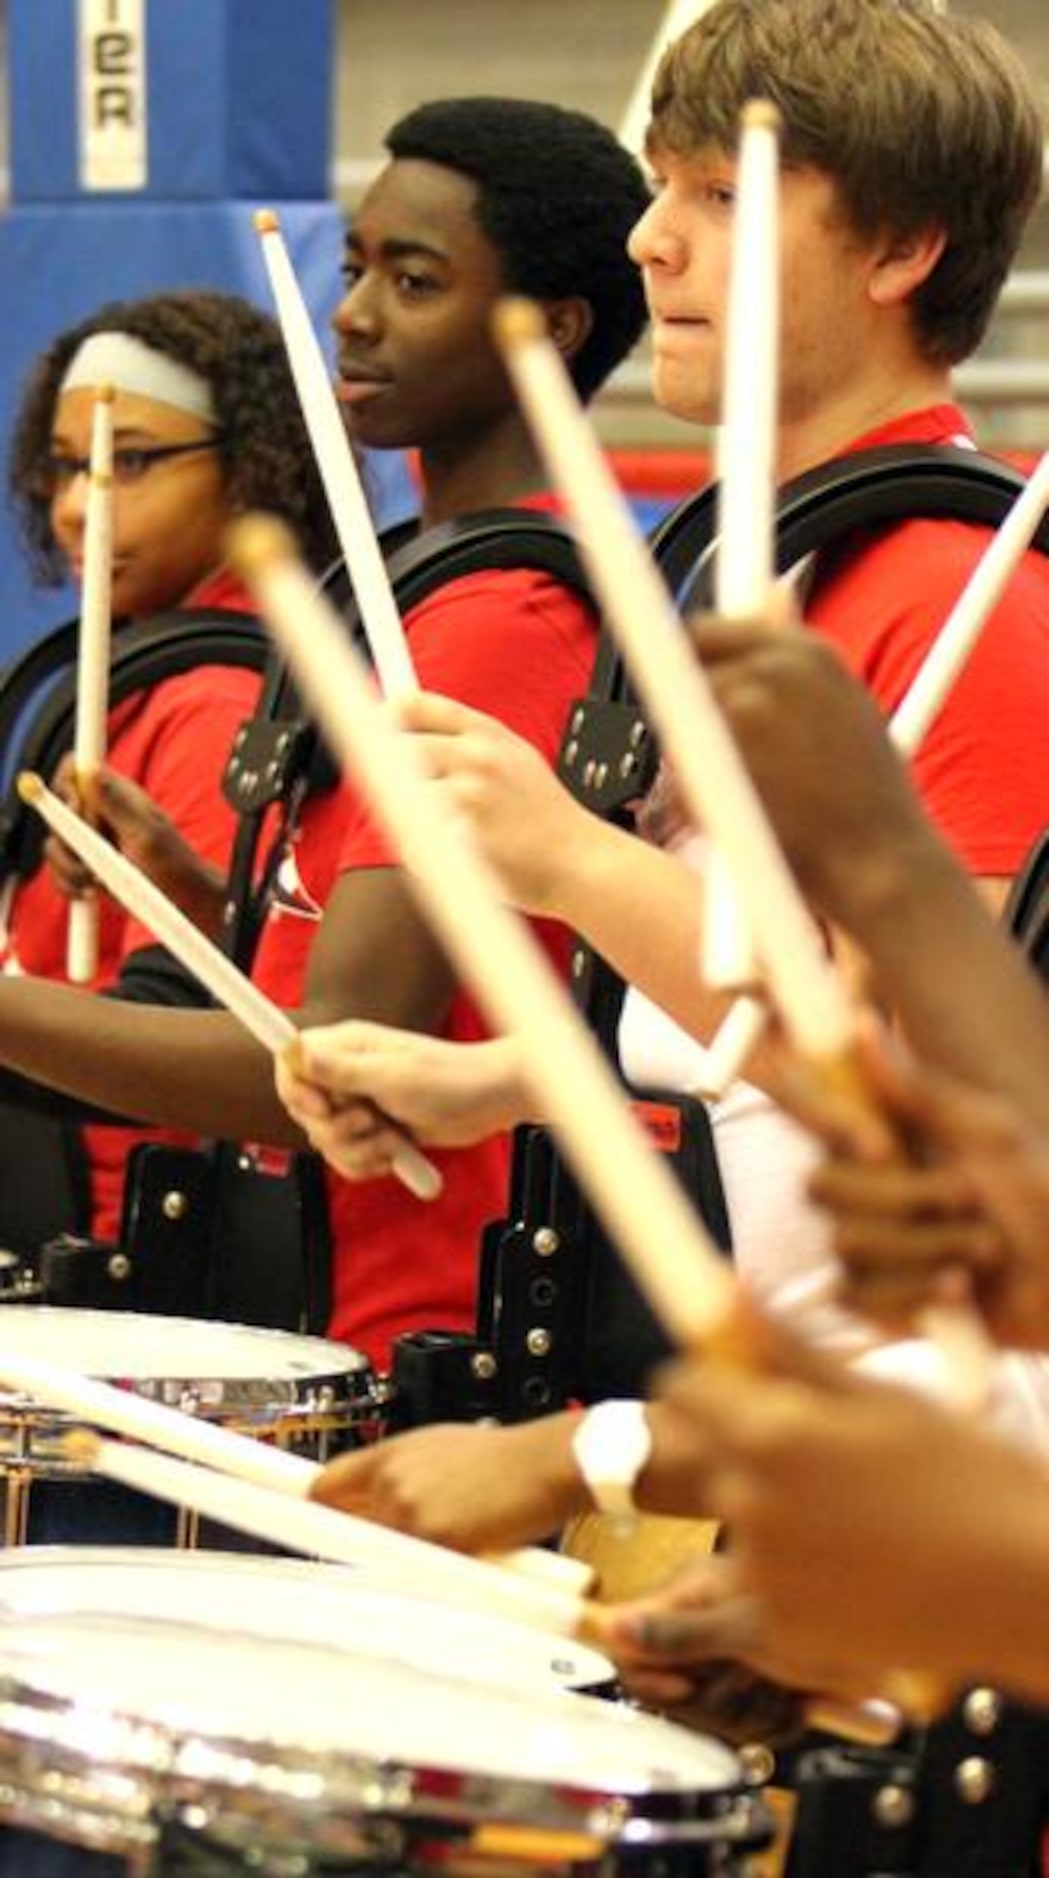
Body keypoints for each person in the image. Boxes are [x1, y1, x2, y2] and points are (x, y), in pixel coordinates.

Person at [0, 99, 650, 1367]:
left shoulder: (501, 610)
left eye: (413, 281)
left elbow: (338, 1069)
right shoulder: (425, 573)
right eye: (352, 269)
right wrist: (197, 889)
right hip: (336, 1291)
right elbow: (385, 966)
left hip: (415, 1322)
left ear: (552, 328)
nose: (351, 314)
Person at [0, 289, 337, 1255]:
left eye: (129, 463)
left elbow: (177, 1011)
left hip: (122, 1253)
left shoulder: (215, 698)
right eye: (64, 469)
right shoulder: (137, 675)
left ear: (251, 469)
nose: (75, 506)